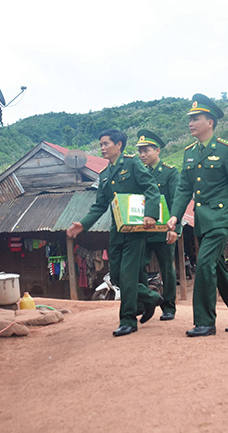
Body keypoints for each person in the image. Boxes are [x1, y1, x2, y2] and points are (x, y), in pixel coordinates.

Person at [166, 94, 228, 337]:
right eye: (190, 119)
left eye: (196, 118)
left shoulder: (226, 150)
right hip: (203, 221)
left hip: (221, 218)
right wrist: (175, 216)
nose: (191, 123)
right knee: (215, 267)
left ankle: (205, 322)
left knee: (204, 264)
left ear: (210, 122)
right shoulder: (189, 153)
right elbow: (184, 188)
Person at [67, 129, 164, 337]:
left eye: (106, 144)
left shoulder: (132, 164)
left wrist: (151, 215)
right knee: (117, 276)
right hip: (118, 231)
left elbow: (151, 189)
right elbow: (100, 205)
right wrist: (83, 225)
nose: (102, 148)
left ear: (119, 145)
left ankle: (128, 320)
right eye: (100, 144)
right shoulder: (104, 175)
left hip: (137, 229)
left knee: (128, 275)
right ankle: (150, 297)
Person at [136, 129, 179, 321]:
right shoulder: (138, 173)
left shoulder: (169, 173)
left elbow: (176, 202)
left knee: (167, 268)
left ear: (158, 150)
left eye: (146, 150)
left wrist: (173, 228)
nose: (142, 155)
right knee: (138, 267)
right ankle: (148, 303)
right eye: (140, 151)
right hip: (143, 231)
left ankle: (168, 307)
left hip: (163, 230)